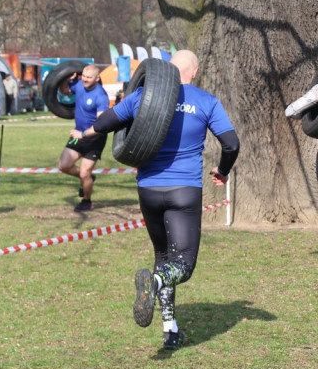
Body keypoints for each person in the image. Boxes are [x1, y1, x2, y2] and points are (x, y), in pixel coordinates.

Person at [76, 50, 239, 350]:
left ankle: (170, 330)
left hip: (148, 189)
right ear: (195, 71)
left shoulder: (142, 97)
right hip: (184, 190)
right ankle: (153, 284)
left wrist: (84, 133)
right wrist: (223, 171)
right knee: (183, 263)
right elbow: (231, 144)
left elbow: (108, 121)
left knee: (163, 257)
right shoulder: (205, 101)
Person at [58, 64, 110, 212]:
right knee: (63, 166)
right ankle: (88, 179)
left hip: (94, 139)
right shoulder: (79, 86)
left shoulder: (101, 96)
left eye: (89, 77)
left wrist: (83, 134)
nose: (85, 80)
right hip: (77, 135)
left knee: (83, 172)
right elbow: (64, 90)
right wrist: (64, 80)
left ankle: (87, 201)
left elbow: (101, 125)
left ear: (97, 78)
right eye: (84, 76)